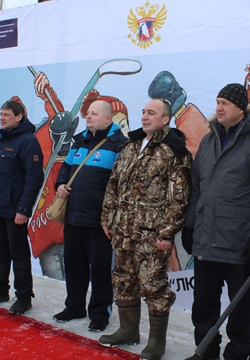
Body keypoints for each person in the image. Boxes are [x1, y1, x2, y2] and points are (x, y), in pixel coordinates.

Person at [182, 83, 250, 360]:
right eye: (217, 102)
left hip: (239, 241)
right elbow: (197, 188)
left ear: (241, 109)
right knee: (203, 305)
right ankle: (205, 351)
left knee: (238, 308)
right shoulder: (208, 140)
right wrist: (190, 226)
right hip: (206, 238)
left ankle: (239, 353)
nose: (219, 108)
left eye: (225, 103)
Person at [99, 98, 192, 360]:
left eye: (151, 113)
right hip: (123, 230)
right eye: (143, 112)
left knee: (153, 286)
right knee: (123, 280)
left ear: (166, 119)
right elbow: (114, 183)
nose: (144, 117)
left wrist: (166, 233)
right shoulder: (130, 146)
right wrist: (107, 217)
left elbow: (180, 196)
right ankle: (128, 331)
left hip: (151, 235)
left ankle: (156, 344)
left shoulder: (173, 150)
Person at [52, 100, 128, 332]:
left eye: (94, 114)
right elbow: (65, 168)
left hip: (99, 221)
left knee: (101, 269)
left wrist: (110, 217)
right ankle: (74, 306)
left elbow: (122, 184)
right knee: (74, 265)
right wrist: (61, 184)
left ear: (108, 118)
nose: (88, 117)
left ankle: (99, 313)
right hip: (74, 215)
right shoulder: (79, 140)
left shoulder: (120, 145)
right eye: (87, 113)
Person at [0, 100, 44, 315]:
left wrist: (24, 209)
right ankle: (0, 290)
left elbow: (34, 178)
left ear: (19, 117)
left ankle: (24, 296)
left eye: (6, 114)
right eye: (0, 114)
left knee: (19, 254)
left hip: (15, 210)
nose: (1, 118)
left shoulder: (28, 141)